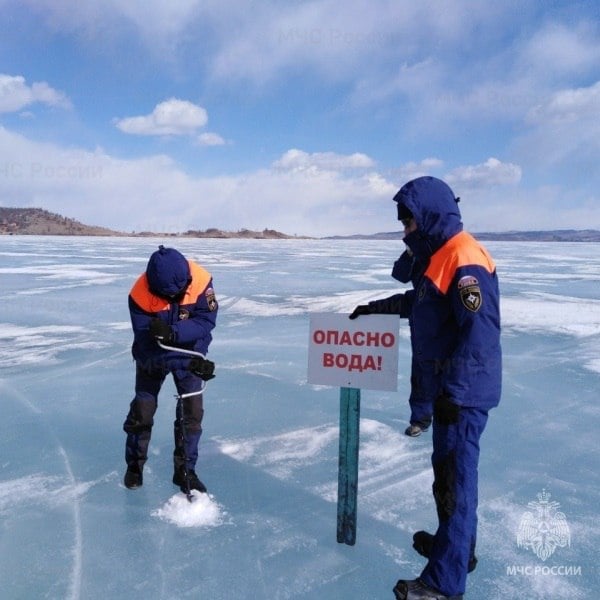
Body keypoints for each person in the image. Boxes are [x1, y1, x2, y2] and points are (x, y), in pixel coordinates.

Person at [354, 176, 502, 600]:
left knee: (456, 484)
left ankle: (443, 585)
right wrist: (373, 309)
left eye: (408, 223)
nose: (405, 232)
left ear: (429, 217)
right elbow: (419, 304)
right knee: (448, 479)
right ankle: (455, 551)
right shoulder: (440, 256)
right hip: (451, 392)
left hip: (463, 394)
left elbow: (479, 335)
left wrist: (455, 394)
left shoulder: (463, 257)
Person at [123, 245, 218, 495]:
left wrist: (195, 357)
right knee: (143, 411)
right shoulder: (139, 294)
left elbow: (205, 322)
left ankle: (185, 471)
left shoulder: (200, 282)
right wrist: (184, 354)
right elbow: (146, 342)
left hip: (189, 352)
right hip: (151, 357)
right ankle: (134, 465)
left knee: (192, 414)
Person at [350, 246, 431, 437]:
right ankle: (421, 420)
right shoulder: (420, 293)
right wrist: (370, 309)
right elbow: (403, 294)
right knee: (420, 378)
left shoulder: (444, 274)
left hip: (447, 350)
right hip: (423, 345)